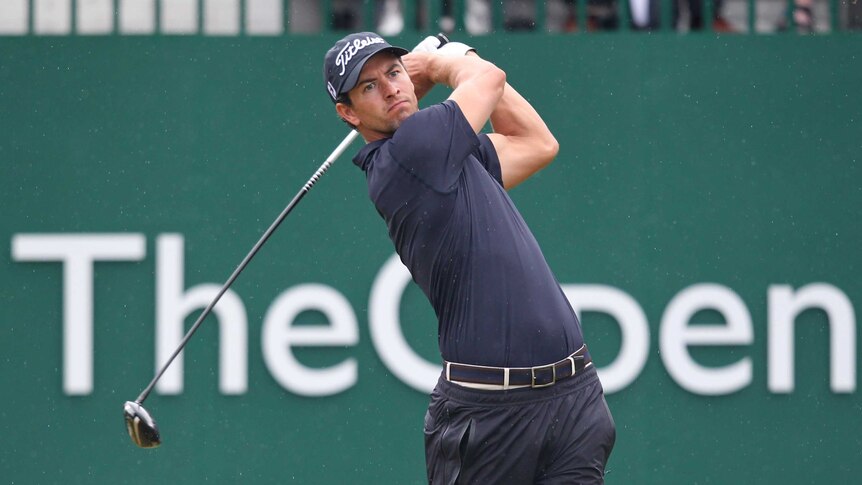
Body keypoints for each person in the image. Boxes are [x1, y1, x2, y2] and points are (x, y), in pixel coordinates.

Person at [322, 32, 616, 483]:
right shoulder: (410, 152)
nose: (391, 89)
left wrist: (455, 63)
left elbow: (536, 143)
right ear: (348, 113)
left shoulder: (444, 152)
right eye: (368, 87)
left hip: (572, 398)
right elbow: (488, 77)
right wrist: (444, 61)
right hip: (490, 418)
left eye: (394, 73)